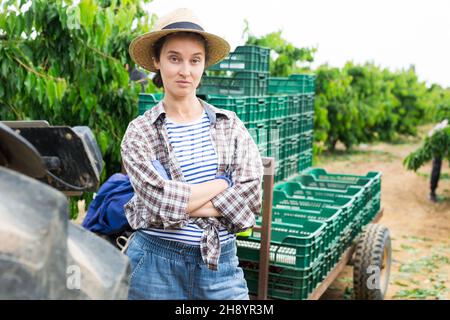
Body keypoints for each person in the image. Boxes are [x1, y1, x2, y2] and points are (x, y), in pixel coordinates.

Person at [120, 8, 264, 300]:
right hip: (153, 267)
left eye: (194, 60)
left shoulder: (230, 125)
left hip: (219, 267)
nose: (185, 70)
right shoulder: (140, 132)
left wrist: (176, 204)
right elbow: (158, 201)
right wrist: (223, 185)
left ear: (203, 65)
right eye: (174, 58)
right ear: (157, 62)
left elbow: (250, 201)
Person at [428, 119, 448, 202]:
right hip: (437, 151)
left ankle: (432, 192)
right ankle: (432, 192)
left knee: (436, 169)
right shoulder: (443, 127)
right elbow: (430, 136)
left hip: (440, 150)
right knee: (436, 170)